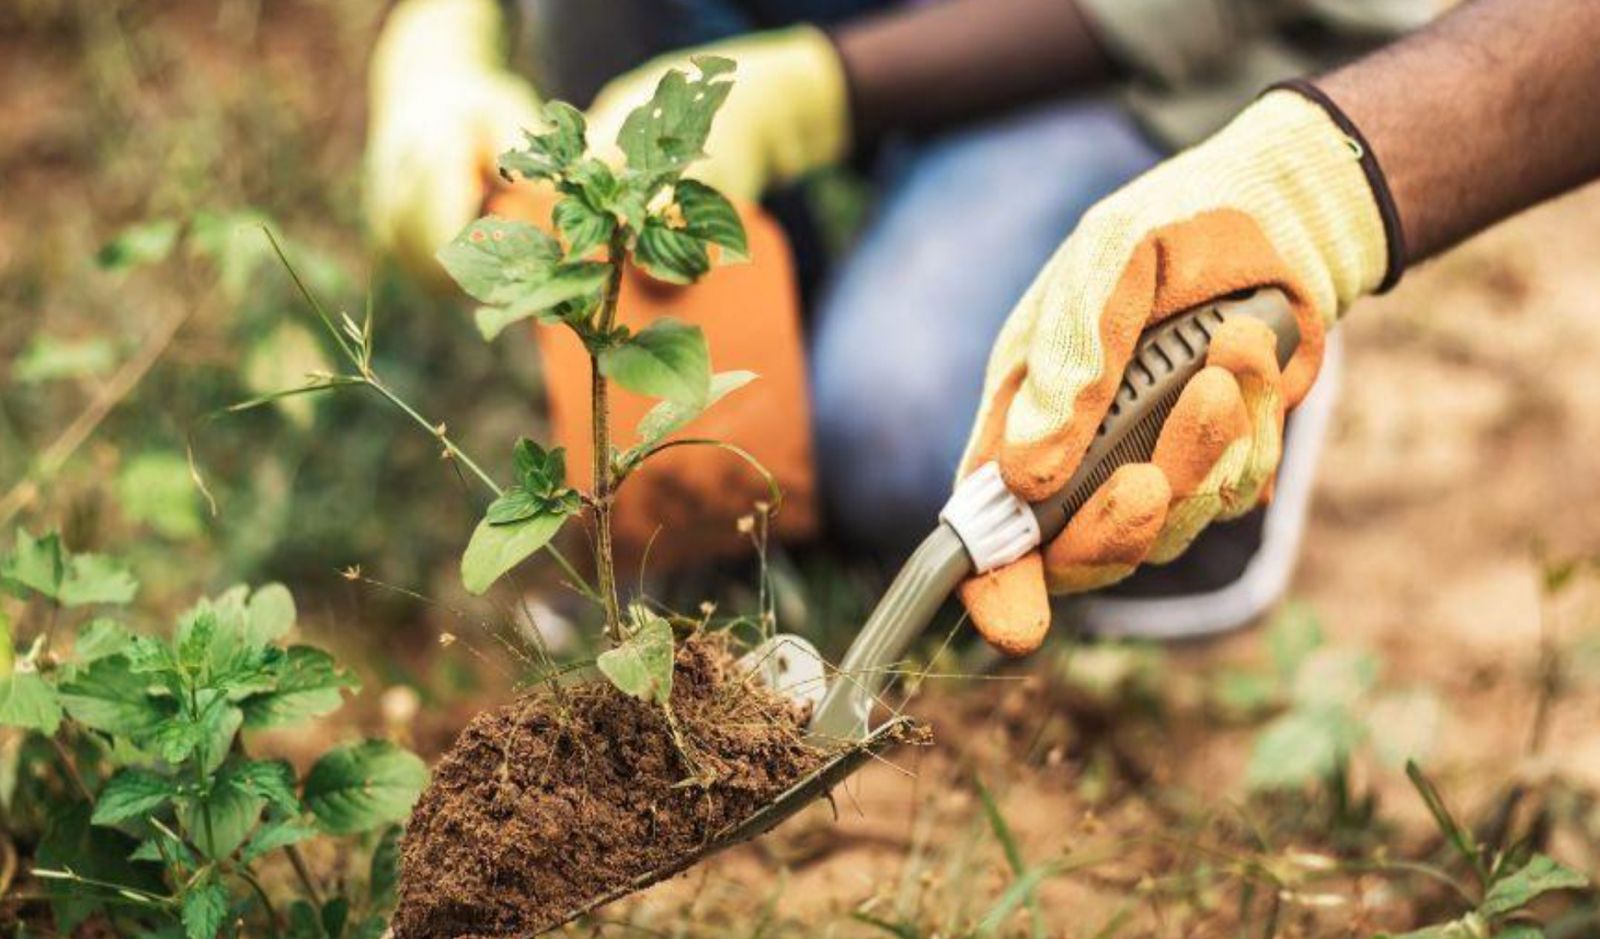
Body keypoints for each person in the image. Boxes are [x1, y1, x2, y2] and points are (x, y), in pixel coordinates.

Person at [365, 0, 1597, 652]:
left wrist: (818, 94)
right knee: (727, 468)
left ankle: (1229, 322)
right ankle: (713, 502)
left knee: (907, 444)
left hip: (1115, 51)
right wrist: (438, 42)